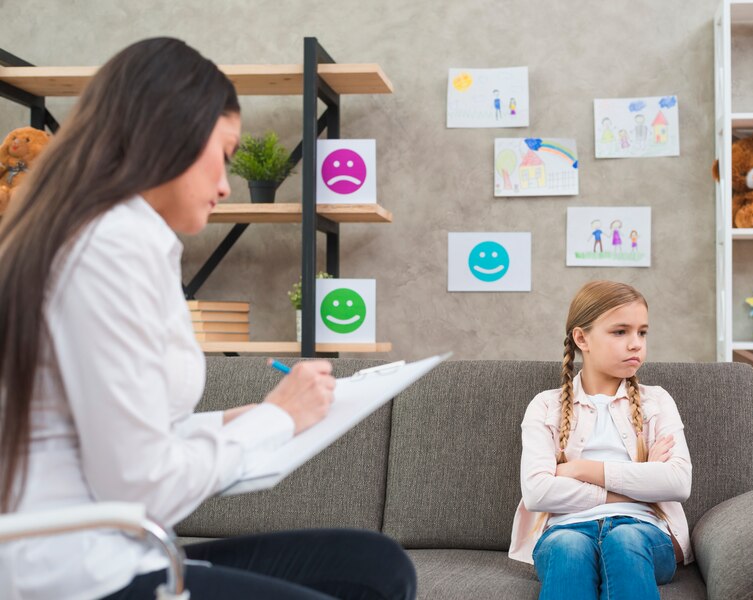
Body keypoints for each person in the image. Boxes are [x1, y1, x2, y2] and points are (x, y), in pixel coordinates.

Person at [0, 37, 415, 600]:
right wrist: (275, 421)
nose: (226, 183)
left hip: (122, 548)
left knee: (375, 565)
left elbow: (117, 434)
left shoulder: (117, 238)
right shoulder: (107, 250)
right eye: (223, 153)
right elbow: (143, 488)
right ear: (166, 138)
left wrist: (234, 420)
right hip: (84, 573)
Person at [508, 281, 692, 599]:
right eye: (620, 332)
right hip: (566, 530)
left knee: (625, 541)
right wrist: (639, 486)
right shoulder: (546, 405)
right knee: (569, 545)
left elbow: (678, 483)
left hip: (644, 532)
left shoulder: (657, 401)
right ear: (582, 338)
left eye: (642, 332)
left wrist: (579, 469)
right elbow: (538, 492)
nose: (636, 344)